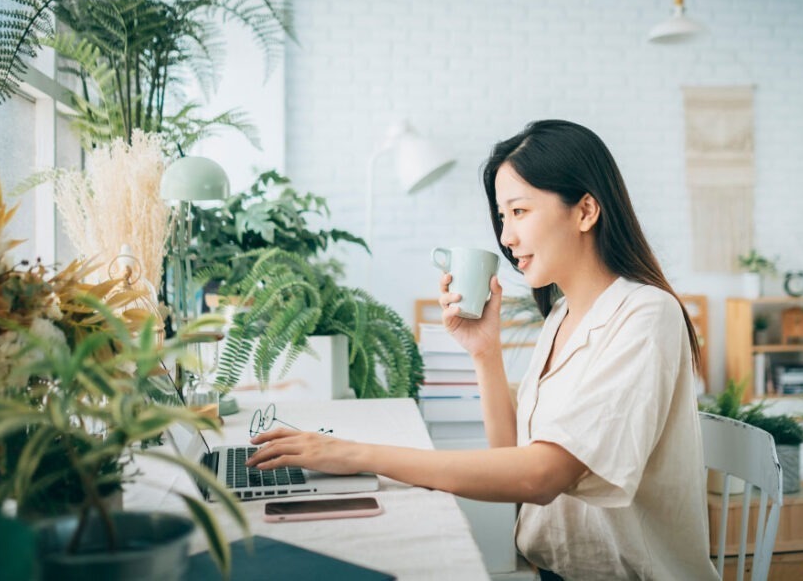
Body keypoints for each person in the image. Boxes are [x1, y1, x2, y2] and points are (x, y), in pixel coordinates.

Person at [247, 120, 719, 580]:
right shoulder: (562, 316)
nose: (506, 237)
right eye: (501, 216)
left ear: (585, 210)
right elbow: (514, 453)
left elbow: (540, 477)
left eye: (519, 211)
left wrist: (354, 455)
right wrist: (484, 353)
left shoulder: (645, 315)